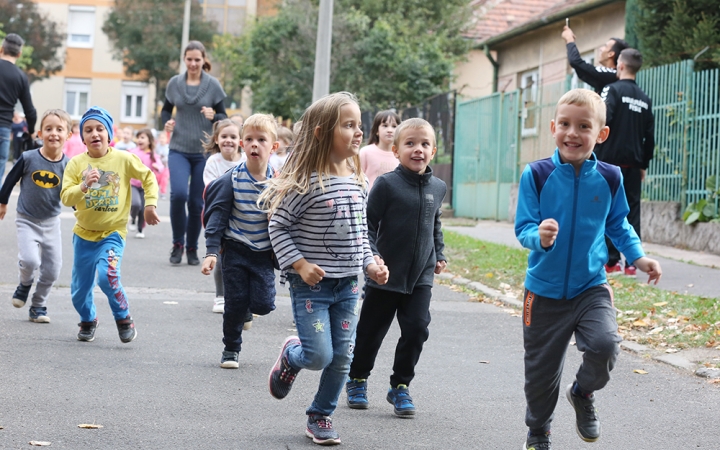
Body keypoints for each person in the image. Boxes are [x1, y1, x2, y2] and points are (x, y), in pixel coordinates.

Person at [514, 89, 662, 450]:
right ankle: (538, 433)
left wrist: (637, 256)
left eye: (583, 126)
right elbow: (523, 228)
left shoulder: (610, 178)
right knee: (540, 375)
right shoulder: (536, 174)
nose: (572, 133)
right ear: (553, 127)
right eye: (564, 124)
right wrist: (540, 237)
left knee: (605, 345)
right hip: (543, 292)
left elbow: (619, 224)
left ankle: (582, 392)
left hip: (590, 286)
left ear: (601, 134)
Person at [260, 92, 389, 446]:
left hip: (348, 285)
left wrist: (371, 264)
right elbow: (278, 227)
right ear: (321, 133)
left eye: (359, 125)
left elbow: (361, 234)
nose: (359, 132)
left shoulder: (357, 179)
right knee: (319, 354)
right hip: (312, 288)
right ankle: (292, 355)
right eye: (349, 125)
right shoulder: (305, 183)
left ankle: (321, 414)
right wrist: (299, 265)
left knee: (342, 356)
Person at [345, 118, 447, 417]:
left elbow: (435, 223)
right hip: (385, 274)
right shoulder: (387, 184)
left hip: (420, 276)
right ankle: (357, 379)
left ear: (434, 151)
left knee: (417, 329)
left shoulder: (438, 187)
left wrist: (439, 253)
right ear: (395, 150)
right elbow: (369, 225)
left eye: (425, 144)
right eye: (410, 144)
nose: (418, 149)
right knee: (370, 333)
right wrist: (373, 258)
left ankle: (400, 386)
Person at [60, 106, 160, 344]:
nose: (95, 133)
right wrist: (83, 186)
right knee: (79, 292)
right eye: (88, 130)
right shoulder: (76, 164)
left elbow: (148, 177)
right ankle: (88, 319)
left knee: (108, 276)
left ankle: (123, 317)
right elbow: (66, 198)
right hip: (84, 236)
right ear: (82, 138)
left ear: (109, 134)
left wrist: (150, 205)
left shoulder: (123, 159)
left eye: (100, 128)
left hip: (112, 233)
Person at [201, 114, 279, 368]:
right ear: (242, 145)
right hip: (234, 249)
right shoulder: (231, 180)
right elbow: (216, 217)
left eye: (261, 140)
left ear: (273, 147)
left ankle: (247, 309)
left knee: (264, 304)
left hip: (263, 254)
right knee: (233, 303)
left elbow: (289, 220)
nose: (254, 145)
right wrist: (212, 252)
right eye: (249, 140)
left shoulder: (279, 184)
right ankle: (231, 349)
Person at [0, 109, 71, 323]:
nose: (54, 133)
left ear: (68, 135)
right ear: (40, 133)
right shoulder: (28, 158)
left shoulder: (69, 165)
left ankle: (38, 305)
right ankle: (24, 284)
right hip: (26, 219)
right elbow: (10, 179)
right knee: (30, 260)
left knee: (53, 269)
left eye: (59, 129)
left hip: (51, 223)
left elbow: (72, 193)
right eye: (48, 129)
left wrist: (82, 212)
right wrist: (2, 203)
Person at [162, 41, 227, 266]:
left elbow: (223, 116)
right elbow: (165, 110)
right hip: (178, 148)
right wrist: (167, 122)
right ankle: (177, 243)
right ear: (184, 59)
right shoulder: (174, 84)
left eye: (197, 59)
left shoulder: (213, 85)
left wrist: (214, 116)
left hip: (203, 152)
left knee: (197, 203)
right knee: (178, 195)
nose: (193, 63)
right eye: (189, 59)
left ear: (203, 60)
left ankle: (192, 247)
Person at [596, 49, 655, 276]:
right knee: (631, 212)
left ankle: (612, 262)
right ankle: (632, 262)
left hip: (608, 164)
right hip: (633, 164)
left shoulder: (611, 89)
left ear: (620, 66)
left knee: (607, 210)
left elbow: (603, 120)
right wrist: (643, 165)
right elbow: (649, 136)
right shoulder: (645, 98)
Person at [201, 118, 246, 314]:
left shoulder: (246, 160)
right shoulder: (213, 161)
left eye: (233, 137)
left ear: (240, 140)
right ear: (217, 140)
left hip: (243, 214)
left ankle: (240, 295)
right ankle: (220, 296)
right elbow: (211, 188)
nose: (229, 140)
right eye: (224, 136)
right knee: (219, 254)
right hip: (219, 214)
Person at [0, 34, 37, 180]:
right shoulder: (21, 77)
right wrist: (32, 131)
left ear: (1, 49)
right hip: (3, 128)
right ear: (19, 54)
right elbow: (30, 111)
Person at [562, 26, 628, 93]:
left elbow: (576, 62)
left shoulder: (612, 74)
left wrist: (569, 40)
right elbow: (580, 69)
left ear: (610, 54)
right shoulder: (610, 76)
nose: (600, 49)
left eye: (605, 46)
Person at [129, 128, 164, 239]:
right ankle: (133, 218)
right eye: (138, 137)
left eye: (143, 137)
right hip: (133, 183)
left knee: (144, 208)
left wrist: (157, 167)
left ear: (149, 141)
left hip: (146, 186)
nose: (140, 140)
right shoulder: (133, 152)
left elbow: (161, 167)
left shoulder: (153, 155)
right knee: (135, 204)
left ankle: (140, 229)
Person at [359, 110, 400, 190]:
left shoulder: (402, 154)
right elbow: (358, 178)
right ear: (377, 131)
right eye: (385, 125)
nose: (389, 130)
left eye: (394, 126)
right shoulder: (365, 152)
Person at [155, 131, 170, 198]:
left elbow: (169, 157)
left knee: (164, 180)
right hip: (157, 167)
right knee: (156, 179)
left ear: (166, 139)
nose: (162, 139)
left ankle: (163, 193)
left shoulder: (168, 147)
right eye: (160, 138)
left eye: (163, 138)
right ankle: (154, 191)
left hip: (165, 167)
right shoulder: (157, 147)